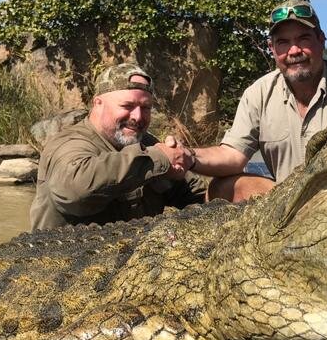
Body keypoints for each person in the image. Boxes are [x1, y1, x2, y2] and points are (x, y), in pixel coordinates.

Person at [187, 0, 327, 202]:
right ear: (272, 48)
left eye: (304, 39)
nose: (294, 51)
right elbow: (233, 155)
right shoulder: (258, 93)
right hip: (285, 206)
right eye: (283, 42)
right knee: (221, 187)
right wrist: (188, 156)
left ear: (321, 40)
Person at [29, 63, 206, 231]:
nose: (137, 116)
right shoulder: (69, 143)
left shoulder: (148, 144)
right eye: (127, 106)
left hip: (134, 258)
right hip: (62, 259)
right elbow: (76, 190)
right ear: (98, 103)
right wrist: (159, 158)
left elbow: (197, 194)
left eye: (146, 108)